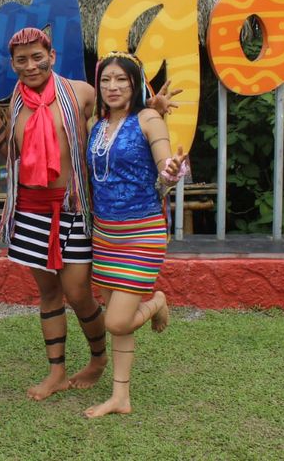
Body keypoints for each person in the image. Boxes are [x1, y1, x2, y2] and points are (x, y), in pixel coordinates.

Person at [0, 27, 177, 402]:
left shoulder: (80, 92)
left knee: (78, 293)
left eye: (37, 57)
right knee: (48, 294)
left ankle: (98, 359)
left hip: (73, 209)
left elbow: (120, 116)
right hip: (31, 211)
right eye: (21, 60)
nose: (30, 65)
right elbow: (7, 151)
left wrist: (152, 109)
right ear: (13, 64)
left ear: (52, 57)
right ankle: (56, 372)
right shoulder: (16, 103)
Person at [83, 52, 187, 418]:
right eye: (106, 80)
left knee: (116, 320)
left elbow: (165, 163)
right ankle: (120, 397)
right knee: (118, 323)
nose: (112, 87)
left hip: (141, 233)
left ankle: (156, 302)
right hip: (105, 235)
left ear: (136, 84)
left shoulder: (148, 118)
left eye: (121, 80)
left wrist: (172, 170)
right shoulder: (97, 125)